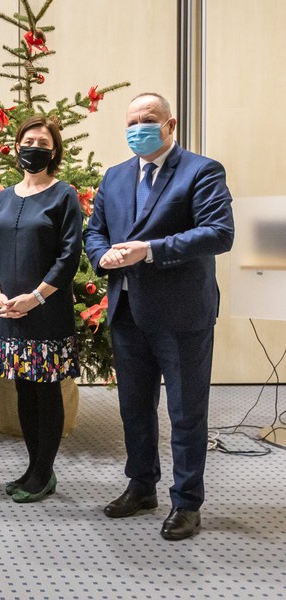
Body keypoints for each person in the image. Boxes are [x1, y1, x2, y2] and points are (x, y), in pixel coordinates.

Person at [83, 92, 234, 540]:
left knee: (186, 412)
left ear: (171, 125)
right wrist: (101, 256)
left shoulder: (201, 171)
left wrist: (150, 251)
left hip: (182, 313)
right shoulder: (114, 177)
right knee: (134, 408)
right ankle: (141, 485)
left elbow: (218, 233)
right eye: (131, 121)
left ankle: (187, 502)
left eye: (148, 119)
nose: (138, 128)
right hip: (127, 310)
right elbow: (96, 232)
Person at [0, 115, 82, 503]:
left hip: (47, 310)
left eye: (42, 141)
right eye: (28, 139)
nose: (33, 146)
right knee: (23, 389)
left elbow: (69, 256)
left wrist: (36, 297)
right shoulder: (4, 197)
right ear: (16, 146)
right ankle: (32, 465)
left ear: (53, 150)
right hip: (8, 310)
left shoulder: (64, 195)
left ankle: (44, 471)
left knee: (46, 390)